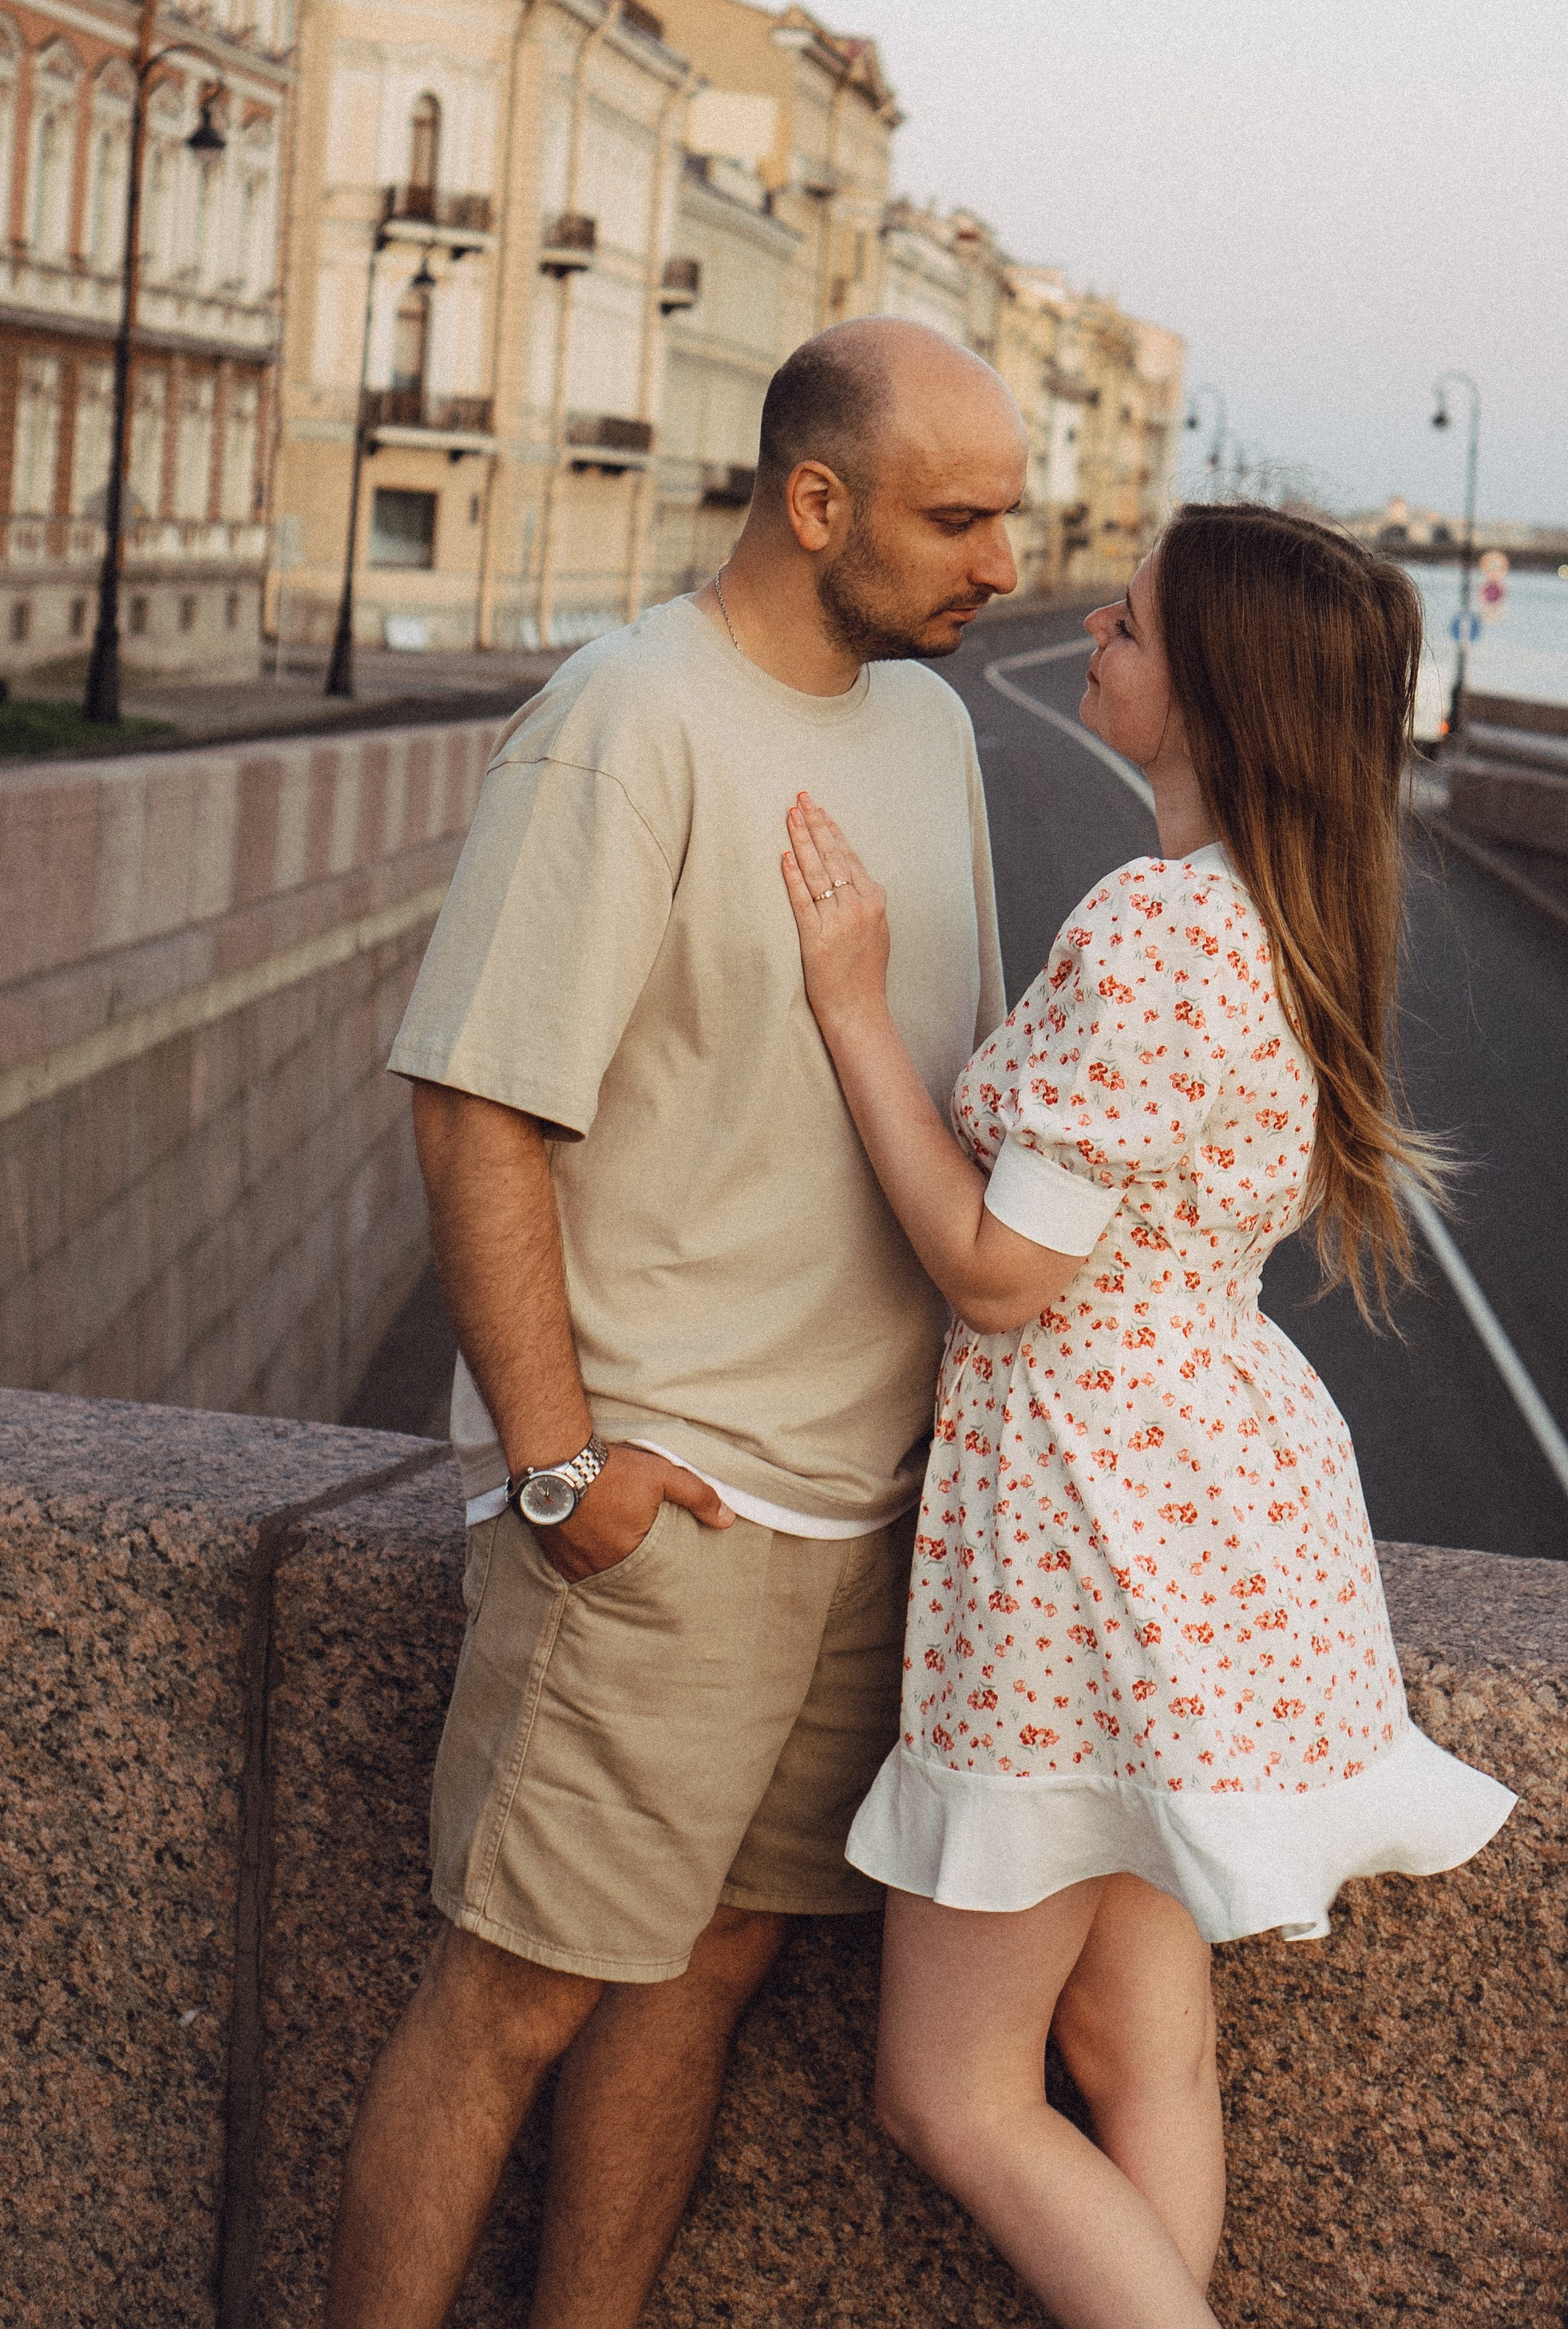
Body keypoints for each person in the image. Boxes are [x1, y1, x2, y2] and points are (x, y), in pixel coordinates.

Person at [324, 319, 1024, 2329]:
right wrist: (560, 1473)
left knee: (706, 1969)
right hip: (668, 1515)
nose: (1000, 566)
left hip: (865, 1513)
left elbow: (949, 1086)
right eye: (956, 521)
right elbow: (477, 1103)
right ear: (814, 503)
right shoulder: (625, 719)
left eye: (1007, 520)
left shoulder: (932, 731)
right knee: (513, 1999)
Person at [778, 501, 1515, 2329]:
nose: (1091, 632)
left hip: (1079, 1528)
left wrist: (853, 1010)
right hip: (1208, 1502)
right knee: (1132, 2049)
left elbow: (997, 1275)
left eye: (1128, 623)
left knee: (948, 2089)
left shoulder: (1155, 928)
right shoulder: (1279, 914)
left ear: (1218, 692)